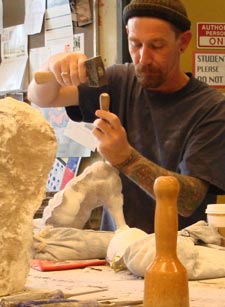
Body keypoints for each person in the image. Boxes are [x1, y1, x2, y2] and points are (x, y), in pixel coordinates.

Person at [28, 0, 225, 234]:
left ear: (183, 42)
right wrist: (51, 69)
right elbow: (43, 98)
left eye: (157, 45)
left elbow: (188, 201)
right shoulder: (119, 80)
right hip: (116, 251)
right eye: (136, 44)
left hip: (183, 252)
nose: (143, 58)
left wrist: (126, 159)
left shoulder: (212, 108)